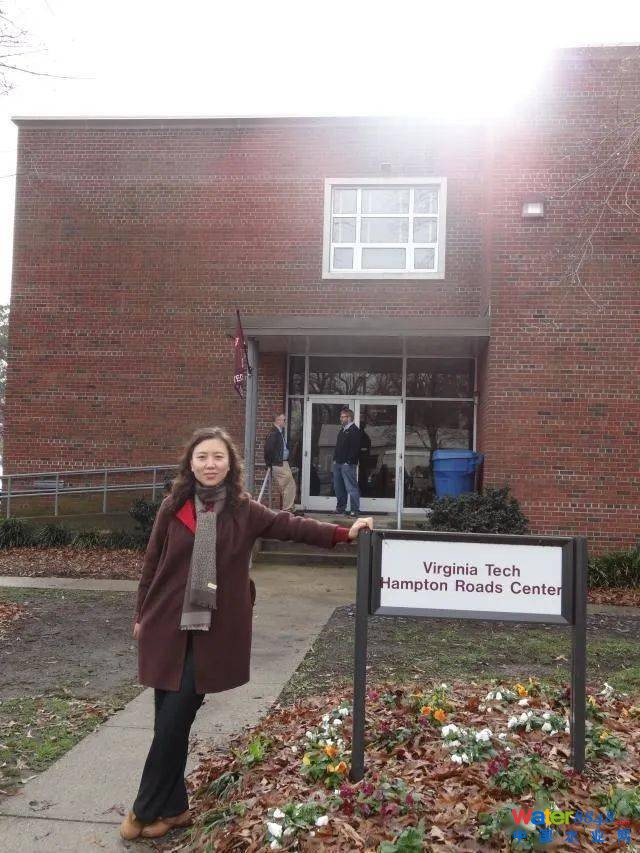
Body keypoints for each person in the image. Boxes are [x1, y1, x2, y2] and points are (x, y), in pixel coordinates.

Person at [120, 426, 373, 841]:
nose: (210, 464)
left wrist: (343, 533)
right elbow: (152, 563)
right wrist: (140, 614)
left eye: (217, 457)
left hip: (213, 632)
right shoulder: (173, 506)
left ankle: (142, 809)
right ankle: (174, 810)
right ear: (191, 463)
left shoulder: (244, 510)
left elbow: (291, 526)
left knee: (174, 719)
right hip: (165, 625)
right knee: (167, 723)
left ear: (230, 464)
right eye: (202, 457)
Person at [263, 413, 297, 513]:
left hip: (282, 463)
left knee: (287, 486)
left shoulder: (279, 432)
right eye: (283, 420)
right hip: (278, 463)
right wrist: (269, 463)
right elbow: (268, 449)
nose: (285, 422)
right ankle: (288, 509)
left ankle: (290, 508)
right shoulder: (274, 433)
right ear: (278, 420)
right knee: (289, 485)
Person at [332, 408, 362, 517]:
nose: (340, 419)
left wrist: (348, 461)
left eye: (342, 417)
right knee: (338, 487)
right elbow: (338, 447)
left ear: (349, 418)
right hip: (338, 464)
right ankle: (340, 508)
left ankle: (355, 510)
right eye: (340, 417)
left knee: (351, 487)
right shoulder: (342, 430)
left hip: (348, 465)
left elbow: (355, 448)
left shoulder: (355, 431)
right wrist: (335, 460)